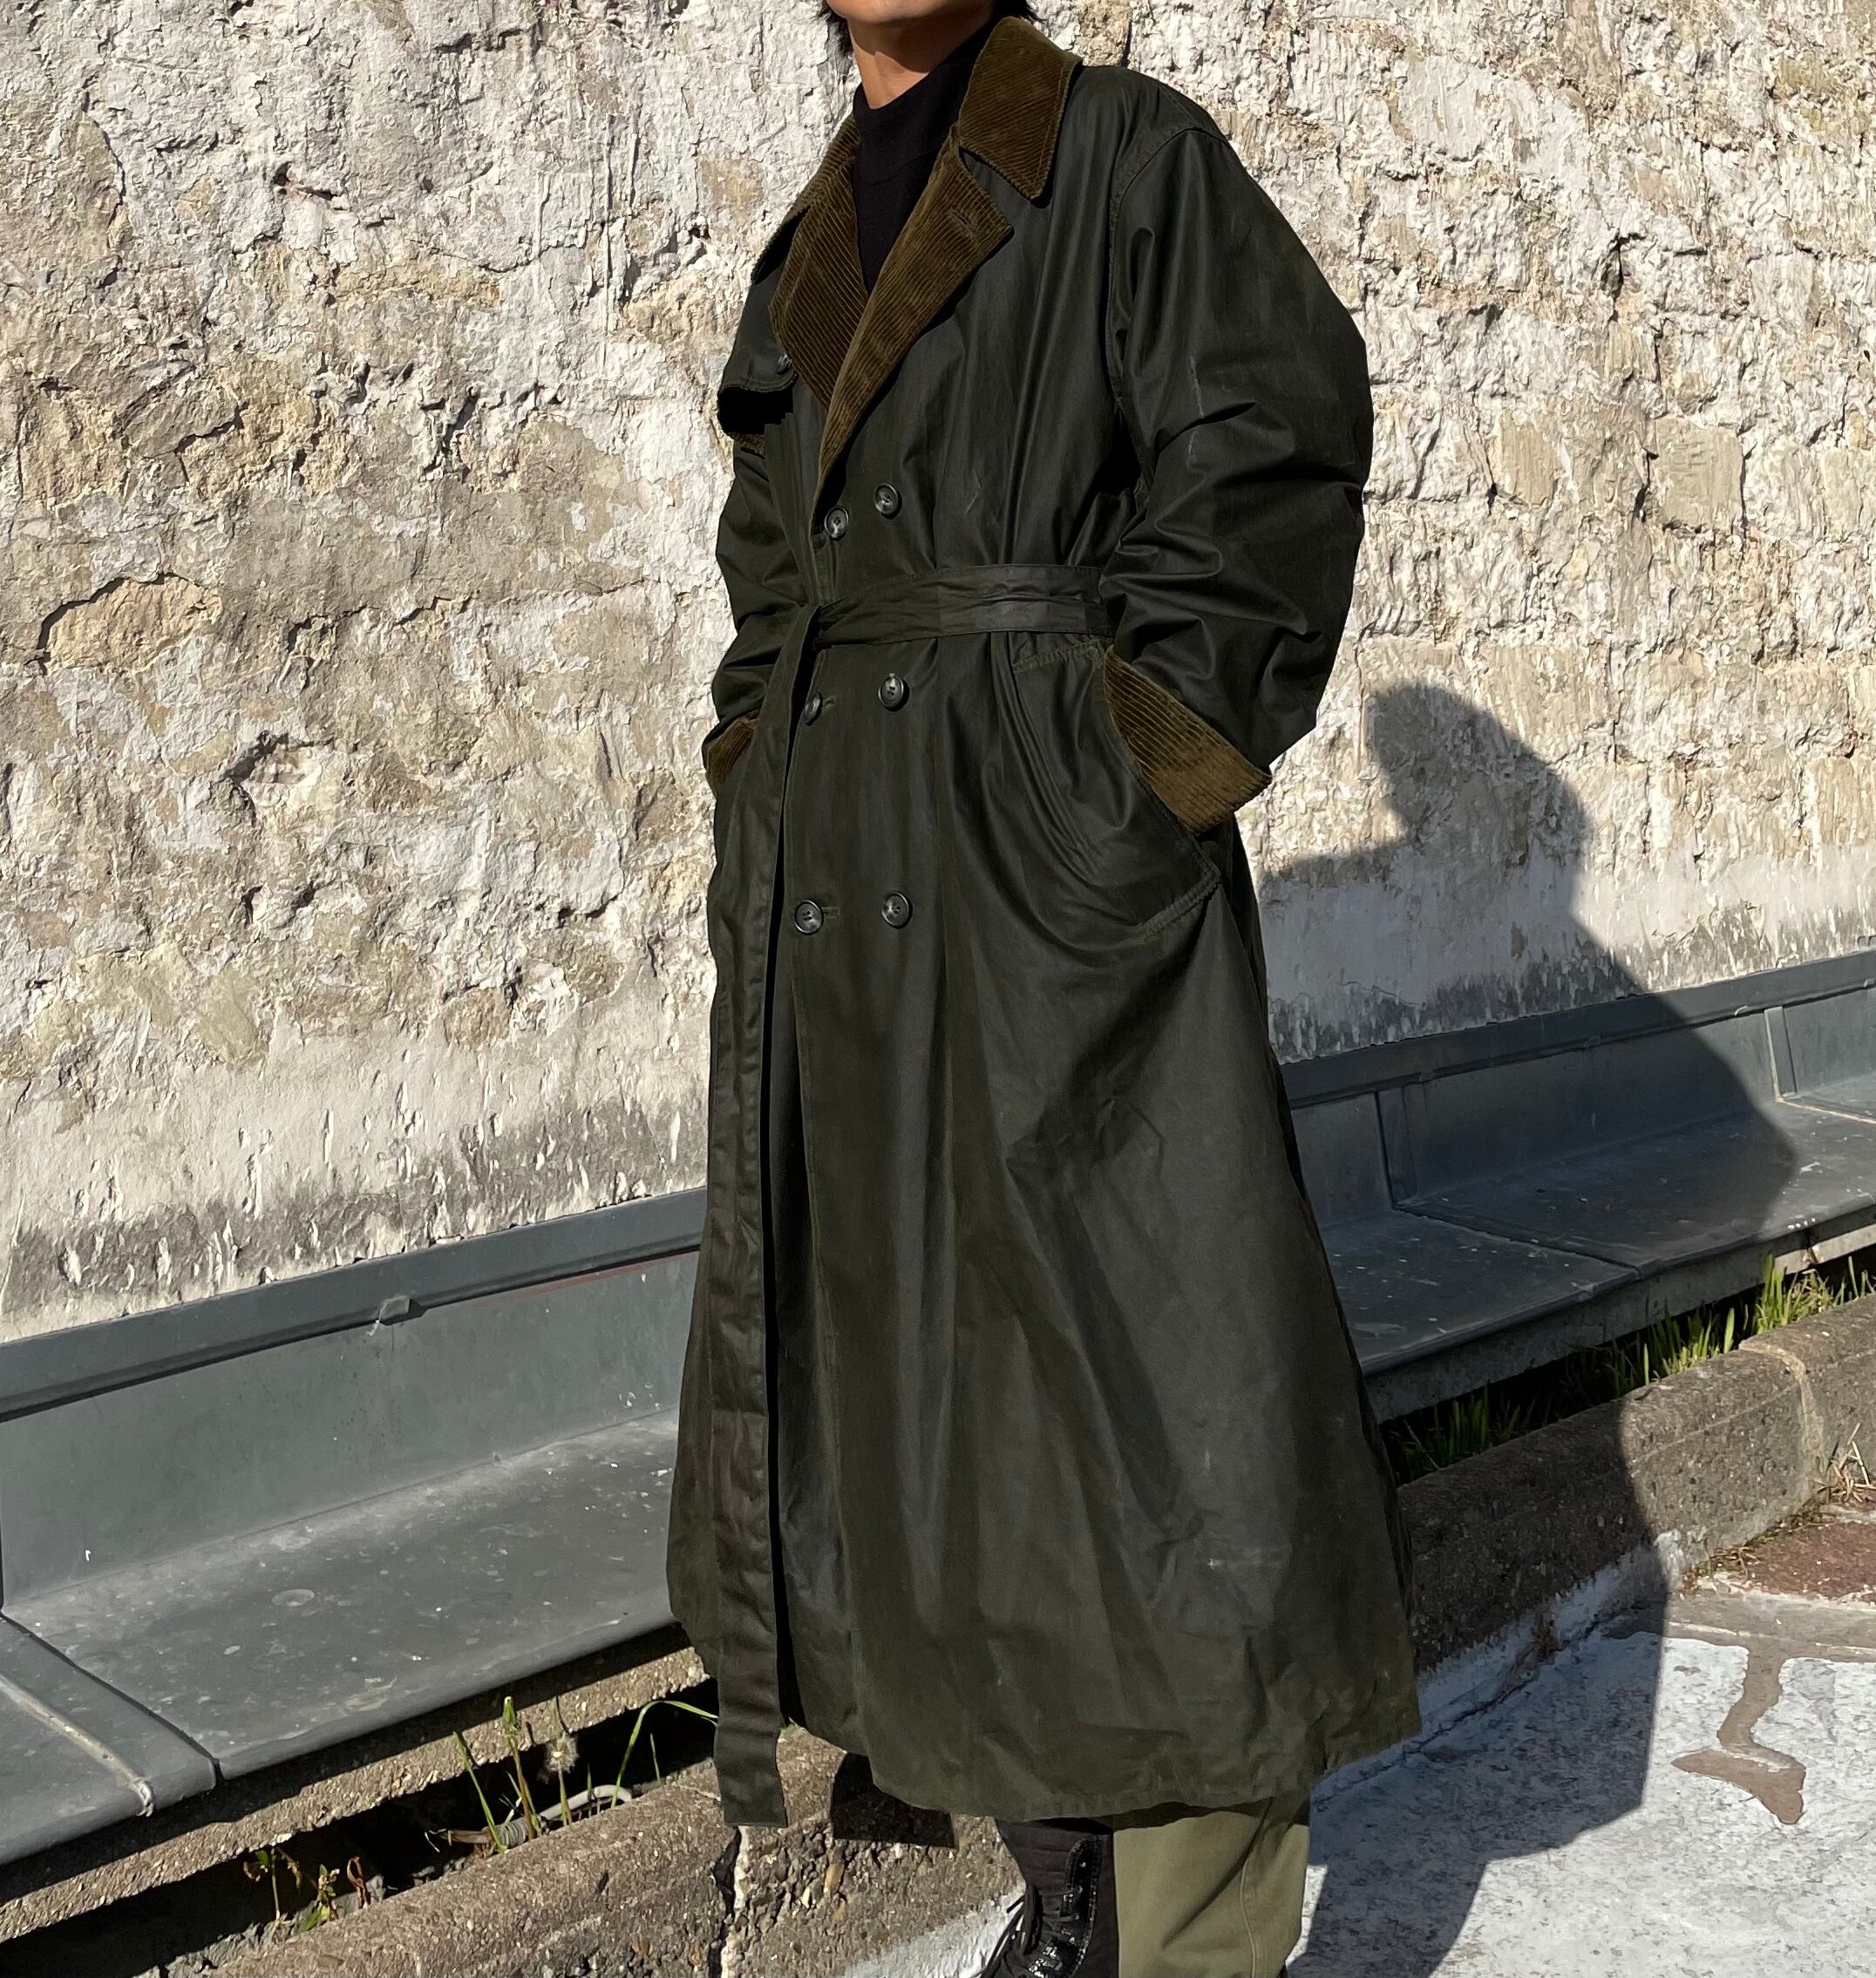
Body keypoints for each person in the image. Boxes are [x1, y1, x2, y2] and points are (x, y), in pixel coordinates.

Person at [668, 2, 1418, 1970]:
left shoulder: (1124, 157)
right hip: (843, 920)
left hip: (1052, 890)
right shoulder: (807, 247)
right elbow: (771, 576)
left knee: (1163, 1415)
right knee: (938, 1435)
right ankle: (1065, 1882)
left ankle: (1190, 1943)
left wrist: (1127, 775)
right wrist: (758, 768)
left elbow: (1275, 436)